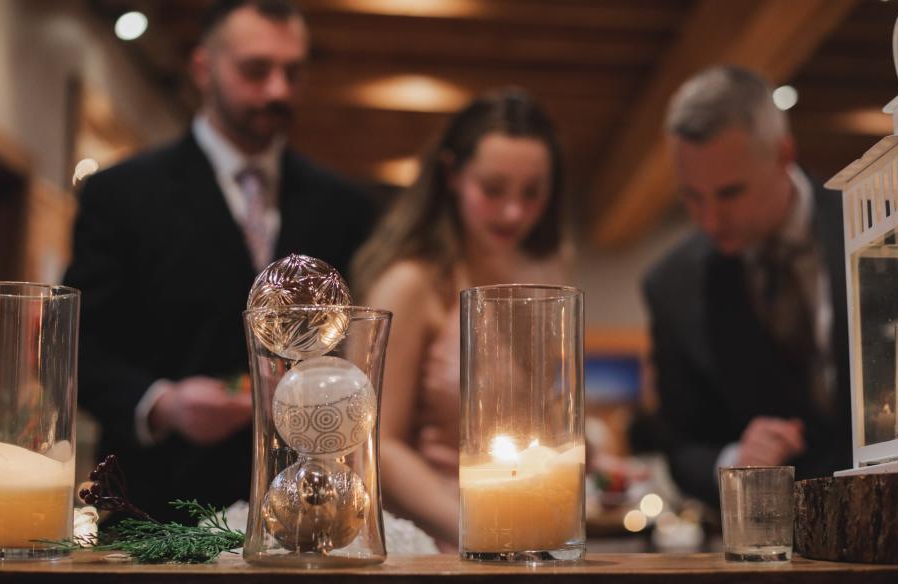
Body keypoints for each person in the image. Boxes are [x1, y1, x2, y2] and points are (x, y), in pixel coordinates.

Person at [63, 0, 373, 523]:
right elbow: (78, 345)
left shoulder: (345, 206)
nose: (278, 90)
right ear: (204, 68)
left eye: (292, 72)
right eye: (257, 70)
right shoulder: (123, 194)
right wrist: (161, 403)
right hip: (156, 511)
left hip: (307, 514)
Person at [351, 88, 571, 547]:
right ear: (452, 174)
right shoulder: (411, 284)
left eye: (533, 192)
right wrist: (477, 525)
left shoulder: (549, 273)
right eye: (493, 189)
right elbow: (374, 445)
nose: (514, 211)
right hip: (438, 538)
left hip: (532, 530)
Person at [643, 65, 852, 507]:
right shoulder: (672, 285)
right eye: (691, 197)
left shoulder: (878, 224)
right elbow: (681, 449)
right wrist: (736, 457)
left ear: (783, 155)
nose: (709, 220)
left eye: (730, 193)